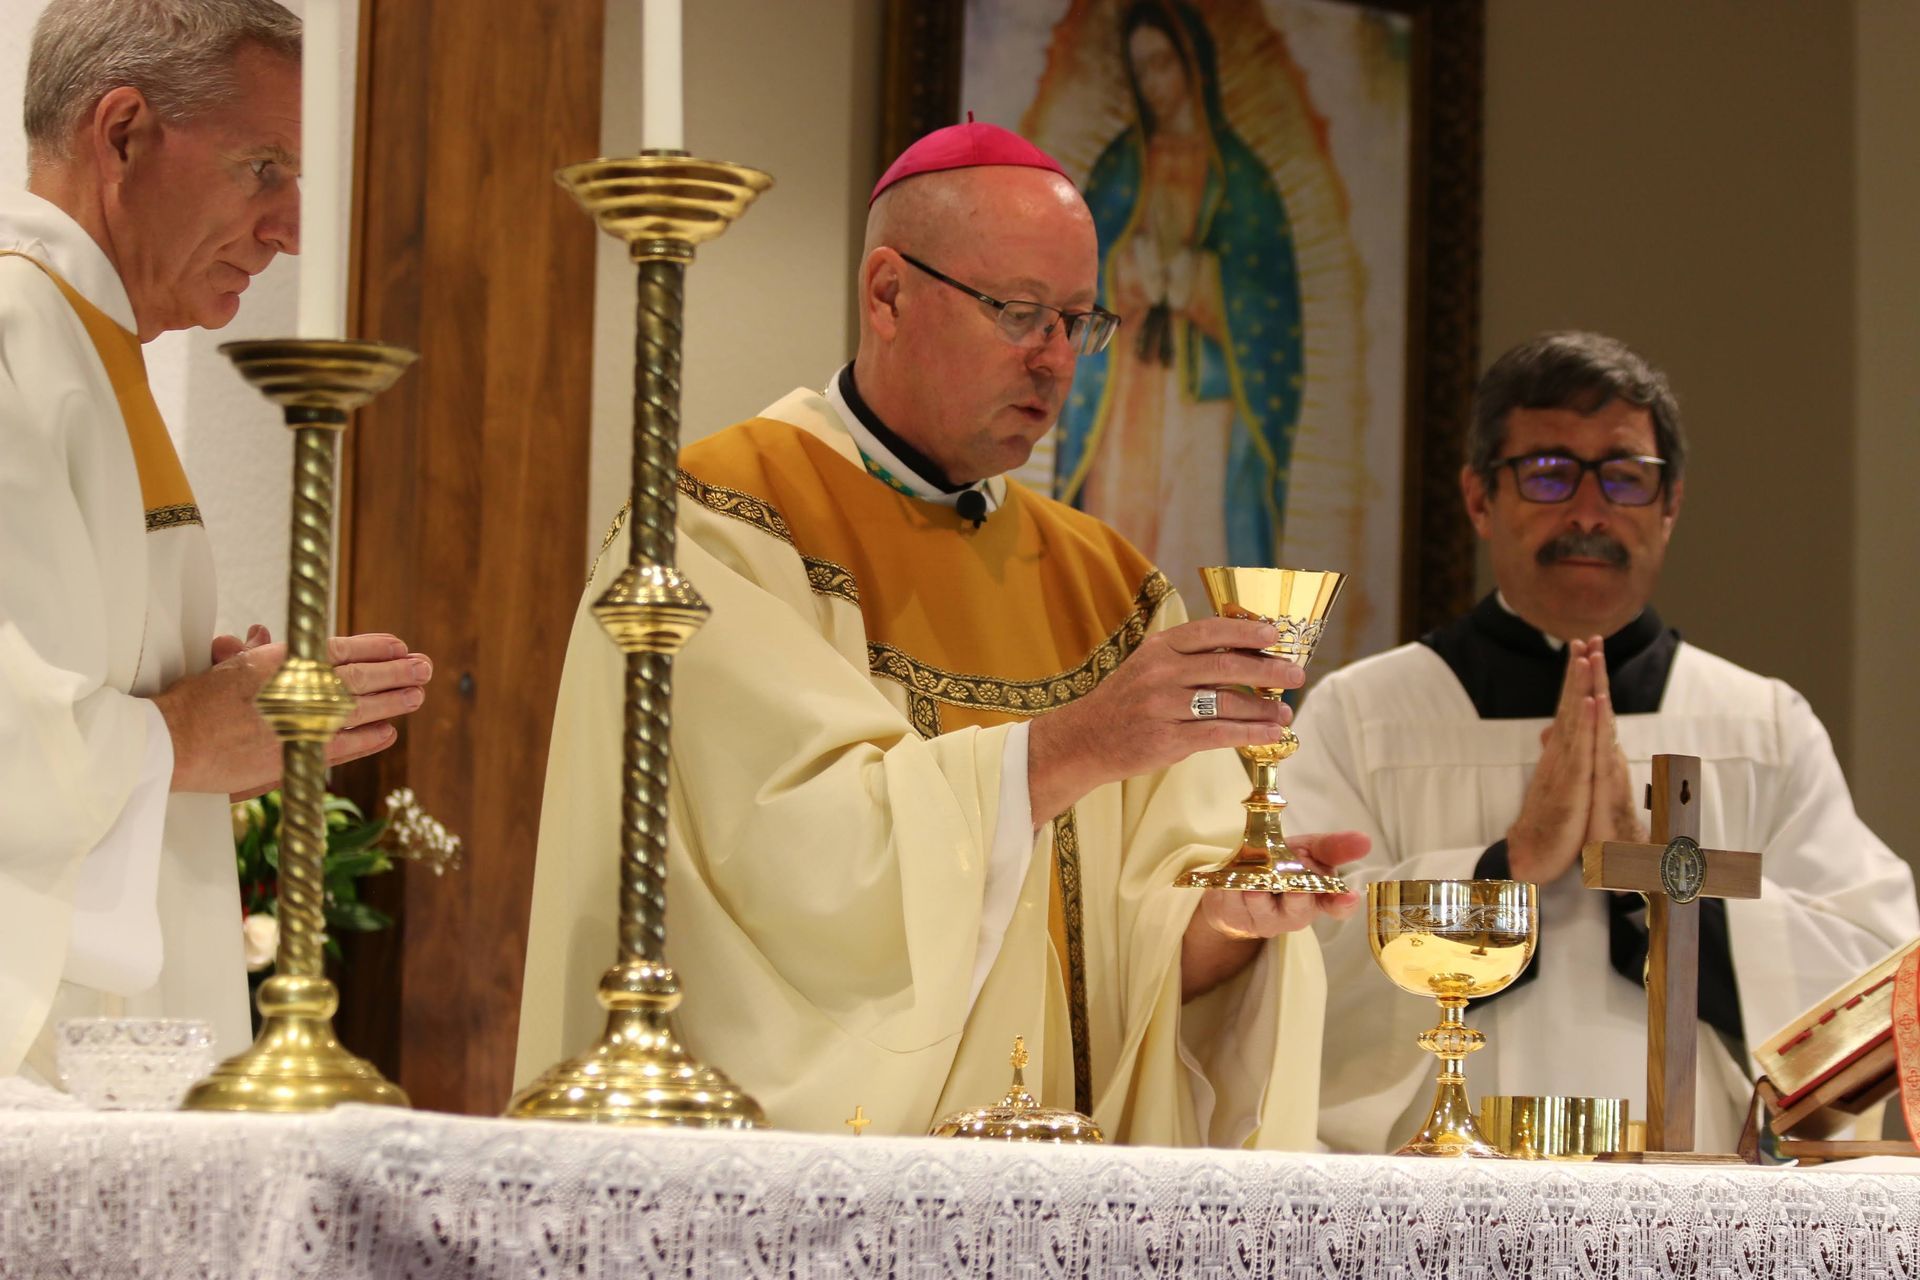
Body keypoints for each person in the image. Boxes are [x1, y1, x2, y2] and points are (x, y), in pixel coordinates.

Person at [517, 121, 1365, 1146]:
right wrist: (1074, 744)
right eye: (1020, 313)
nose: (1057, 359)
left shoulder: (1112, 586)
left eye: (1079, 322)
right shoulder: (719, 526)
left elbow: (1141, 969)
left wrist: (1232, 922)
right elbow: (795, 872)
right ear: (887, 294)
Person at [1284, 331, 1919, 1152]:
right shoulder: (1362, 716)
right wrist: (1503, 870)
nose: (1588, 512)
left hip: (1695, 1196)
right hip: (1436, 1193)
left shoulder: (1761, 725)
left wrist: (1659, 889)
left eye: (1625, 476)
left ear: (1671, 504)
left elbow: (1877, 987)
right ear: (1479, 498)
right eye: (1548, 473)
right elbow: (1295, 965)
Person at [0, 0, 431, 1081]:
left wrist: (212, 712)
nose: (291, 227)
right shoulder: (13, 332)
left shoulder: (86, 344)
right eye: (261, 168)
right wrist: (181, 739)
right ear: (123, 133)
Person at [1053, 0, 1303, 594]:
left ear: (1195, 66)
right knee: (1119, 543)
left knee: (1195, 539)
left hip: (1207, 402)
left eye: (1163, 64)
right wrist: (1129, 273)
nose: (1154, 84)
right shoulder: (1119, 168)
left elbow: (1270, 311)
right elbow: (1081, 280)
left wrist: (1199, 281)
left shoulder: (1243, 180)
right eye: (1141, 70)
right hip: (1125, 395)